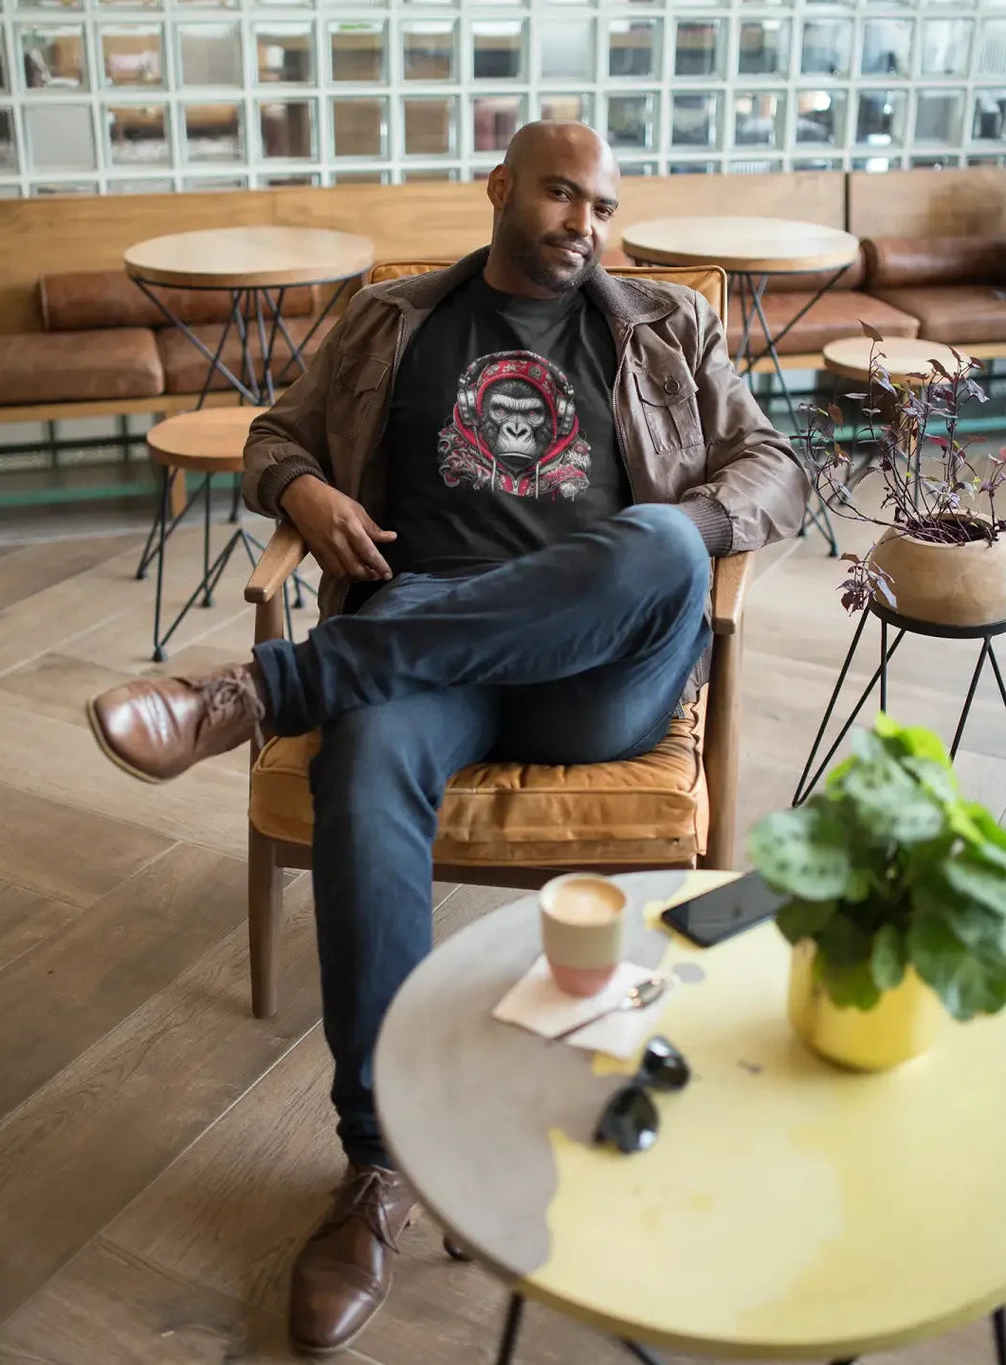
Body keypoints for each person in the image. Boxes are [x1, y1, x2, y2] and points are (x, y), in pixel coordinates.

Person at [87, 121, 809, 1356]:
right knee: (366, 761)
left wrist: (686, 530)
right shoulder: (391, 319)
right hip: (423, 640)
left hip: (597, 673)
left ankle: (266, 692)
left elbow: (776, 467)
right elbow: (274, 436)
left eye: (603, 206)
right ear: (500, 188)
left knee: (657, 543)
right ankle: (377, 1165)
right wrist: (303, 490)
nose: (584, 223)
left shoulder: (665, 323)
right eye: (561, 194)